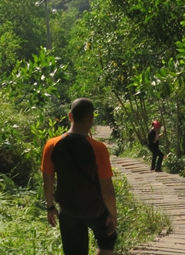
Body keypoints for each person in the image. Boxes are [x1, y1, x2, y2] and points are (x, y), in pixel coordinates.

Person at [41, 98, 118, 255]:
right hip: (95, 209)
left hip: (68, 210)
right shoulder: (98, 148)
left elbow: (47, 183)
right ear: (91, 118)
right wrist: (113, 214)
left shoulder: (52, 145)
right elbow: (107, 190)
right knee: (107, 240)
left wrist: (50, 207)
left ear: (70, 116)